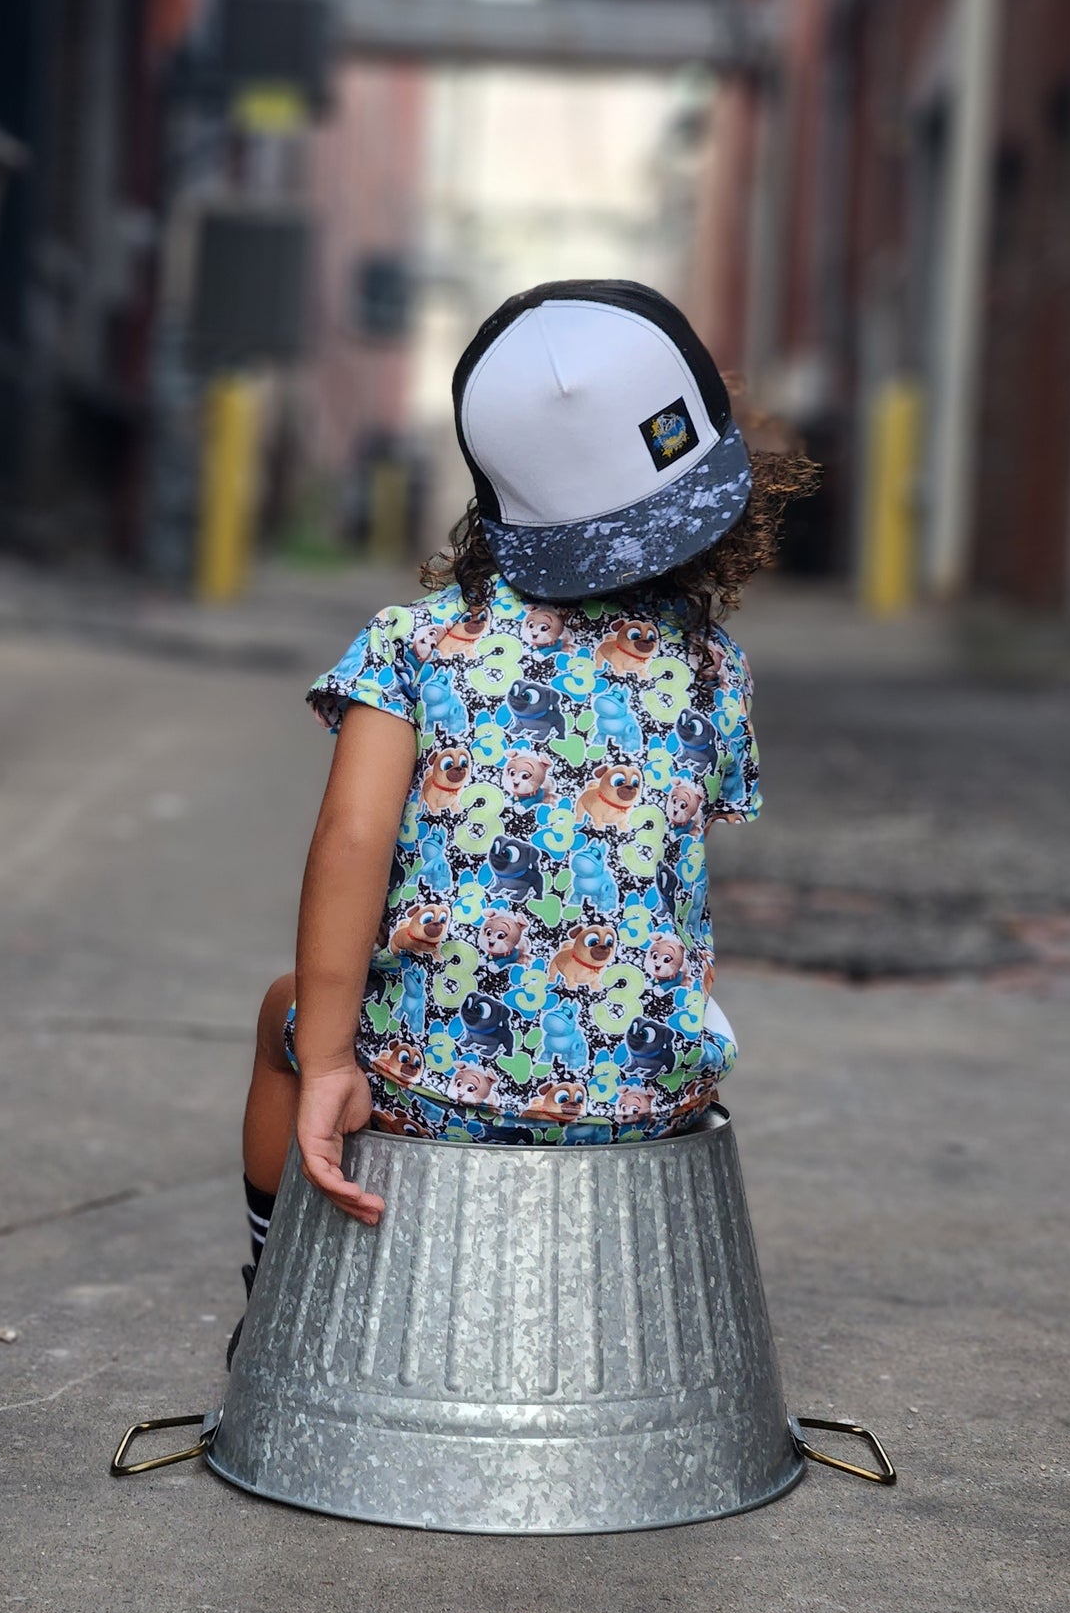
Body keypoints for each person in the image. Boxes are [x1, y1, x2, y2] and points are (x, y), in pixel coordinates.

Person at [232, 280, 816, 1354]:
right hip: (643, 1097)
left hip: (426, 1089)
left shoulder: (409, 645)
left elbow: (351, 844)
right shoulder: (709, 668)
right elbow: (673, 869)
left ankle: (274, 1298)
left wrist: (329, 1062)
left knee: (285, 1013)